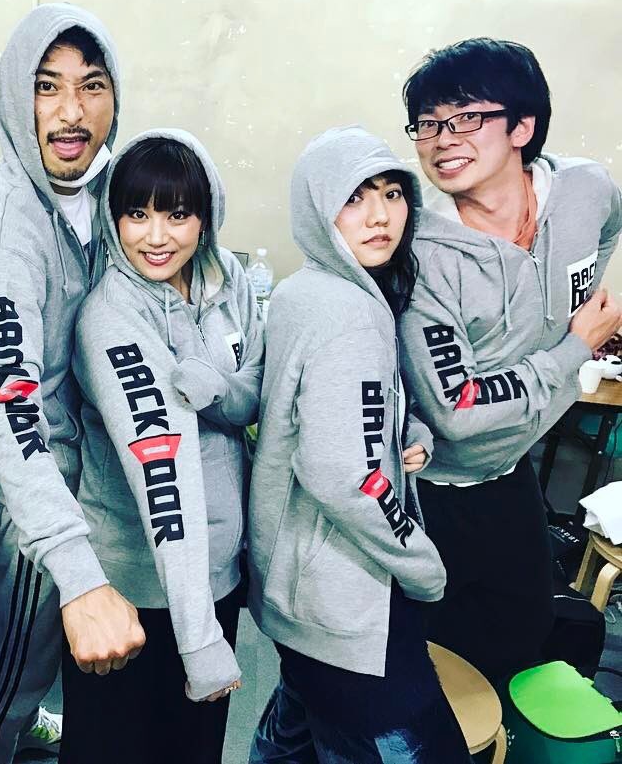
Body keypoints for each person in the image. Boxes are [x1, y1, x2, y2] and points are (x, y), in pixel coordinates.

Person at [0, 4, 145, 764]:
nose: (71, 111)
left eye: (91, 85)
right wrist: (74, 566)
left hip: (92, 470)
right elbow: (9, 411)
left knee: (52, 668)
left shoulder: (103, 187)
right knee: (17, 669)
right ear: (14, 97)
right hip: (37, 487)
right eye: (46, 86)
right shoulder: (5, 231)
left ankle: (25, 725)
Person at [400, 38, 622, 682]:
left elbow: (608, 227)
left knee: (525, 631)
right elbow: (457, 412)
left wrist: (575, 299)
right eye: (428, 124)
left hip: (510, 466)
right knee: (425, 661)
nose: (442, 140)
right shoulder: (423, 255)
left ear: (522, 127)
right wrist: (576, 346)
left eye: (466, 118)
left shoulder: (584, 189)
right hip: (428, 484)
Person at [248, 127, 470, 762]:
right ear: (318, 206)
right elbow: (341, 471)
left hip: (299, 587)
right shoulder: (350, 314)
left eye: (392, 193)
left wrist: (403, 431)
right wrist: (421, 563)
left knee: (296, 737)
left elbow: (328, 417)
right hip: (345, 596)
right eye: (355, 197)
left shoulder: (302, 291)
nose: (380, 216)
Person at [62, 130, 263, 763]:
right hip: (135, 588)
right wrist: (198, 639)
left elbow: (254, 393)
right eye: (137, 214)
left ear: (205, 217)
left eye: (177, 215)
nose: (156, 236)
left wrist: (216, 392)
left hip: (217, 571)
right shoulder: (110, 316)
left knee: (192, 748)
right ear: (113, 217)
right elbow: (162, 470)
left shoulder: (228, 281)